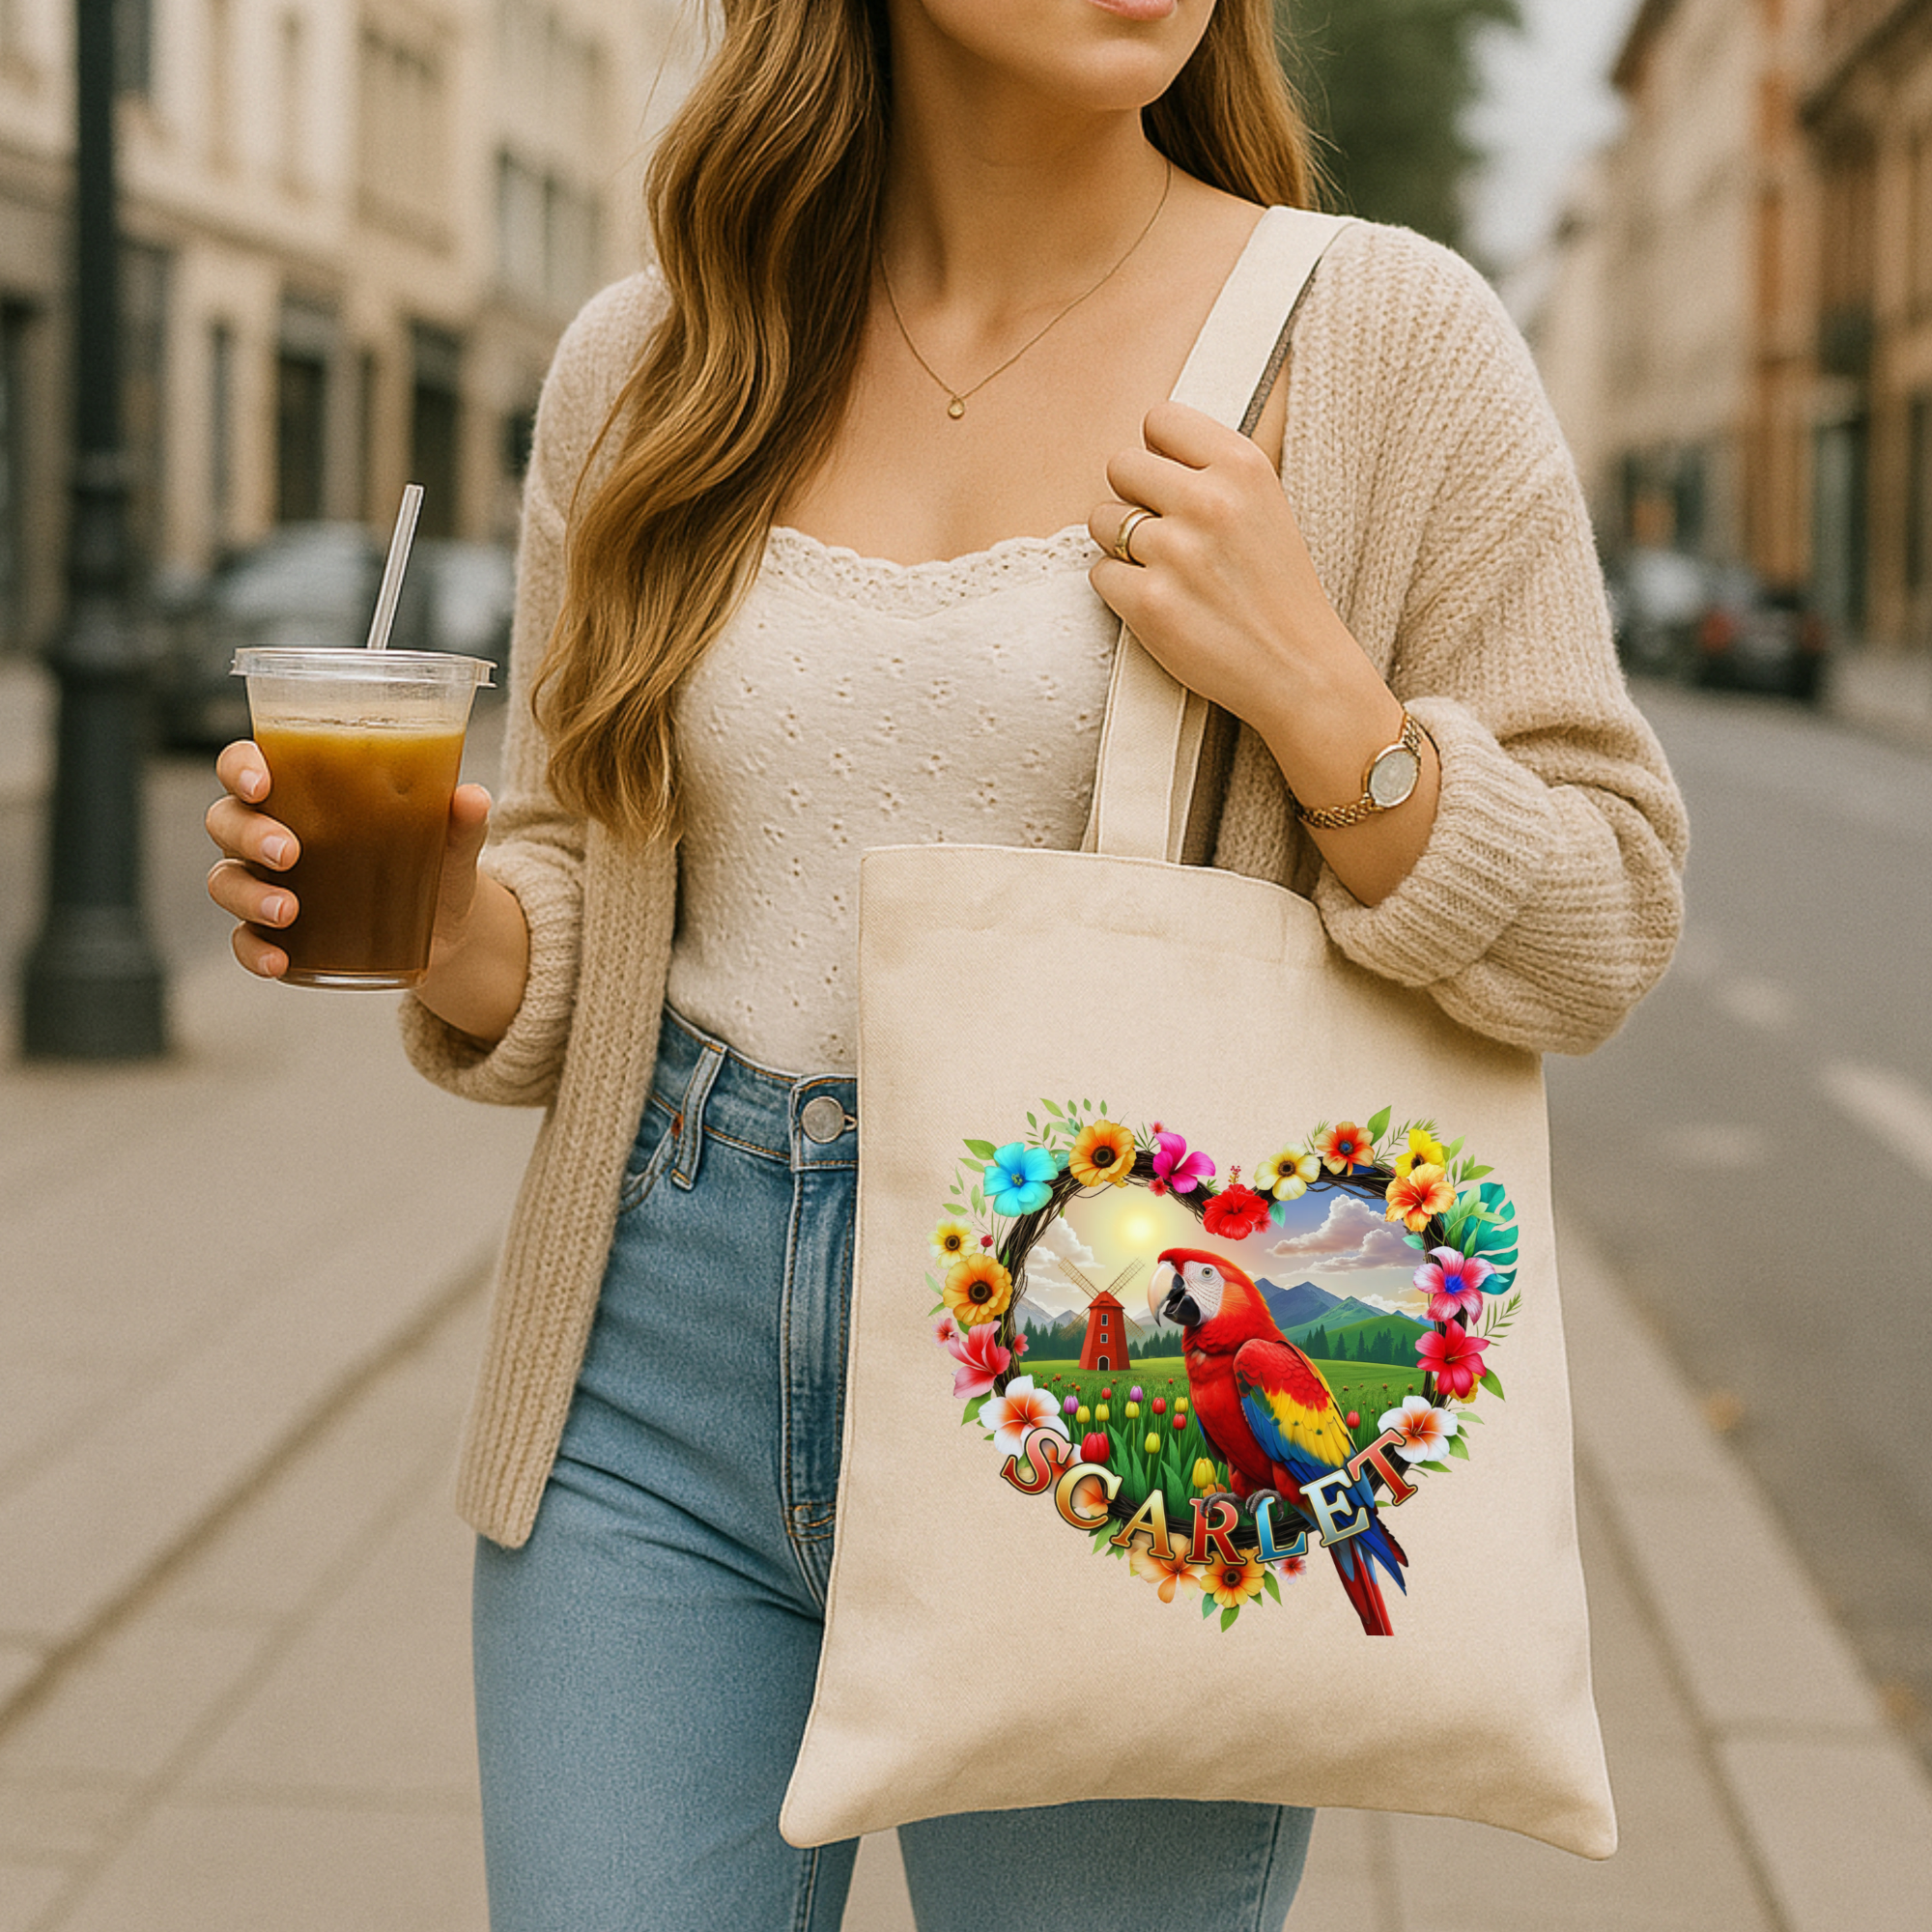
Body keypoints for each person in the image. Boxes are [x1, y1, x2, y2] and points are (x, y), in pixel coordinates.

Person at [205, 2, 1688, 1925]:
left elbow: (1608, 915)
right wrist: (454, 936)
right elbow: (590, 891)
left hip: (1126, 1357)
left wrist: (1333, 711)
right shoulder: (653, 362)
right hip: (651, 1355)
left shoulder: (1384, 340)